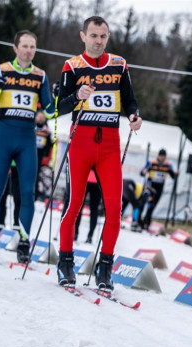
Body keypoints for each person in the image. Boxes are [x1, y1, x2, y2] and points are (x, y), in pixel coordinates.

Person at [55, 16, 142, 290]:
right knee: (74, 205)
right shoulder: (72, 66)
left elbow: (129, 100)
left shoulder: (119, 65)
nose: (98, 41)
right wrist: (76, 96)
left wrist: (134, 116)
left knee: (114, 211)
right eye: (93, 35)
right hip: (81, 141)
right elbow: (59, 107)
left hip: (109, 144)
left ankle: (105, 268)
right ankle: (65, 263)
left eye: (103, 36)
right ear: (83, 36)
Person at [0, 30, 55, 263]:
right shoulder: (2, 70)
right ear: (15, 48)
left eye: (32, 47)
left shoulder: (40, 75)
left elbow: (51, 112)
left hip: (26, 138)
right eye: (24, 46)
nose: (28, 50)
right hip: (3, 136)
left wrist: (58, 98)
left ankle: (24, 241)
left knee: (27, 192)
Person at [139, 148, 177, 228]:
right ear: (158, 156)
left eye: (164, 156)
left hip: (159, 188)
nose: (162, 158)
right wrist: (144, 171)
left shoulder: (168, 165)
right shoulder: (152, 162)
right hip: (150, 186)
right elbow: (142, 172)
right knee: (144, 203)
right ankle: (138, 220)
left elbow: (173, 176)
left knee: (152, 206)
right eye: (161, 156)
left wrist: (176, 174)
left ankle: (146, 222)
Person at [73, 170, 101, 243]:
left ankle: (75, 234)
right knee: (94, 209)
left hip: (86, 178)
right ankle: (90, 236)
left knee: (79, 207)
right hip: (97, 180)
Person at [34, 110, 54, 200]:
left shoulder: (47, 131)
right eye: (39, 116)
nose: (41, 118)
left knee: (36, 176)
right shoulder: (32, 127)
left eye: (42, 117)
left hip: (39, 157)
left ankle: (35, 194)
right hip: (29, 153)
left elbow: (49, 144)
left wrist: (46, 154)